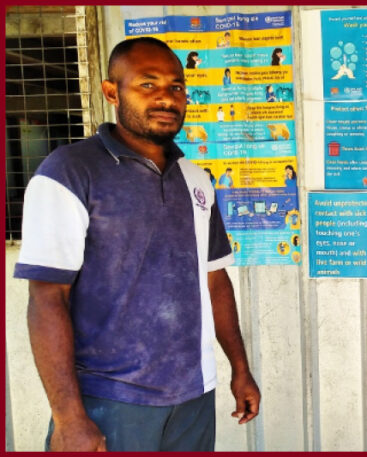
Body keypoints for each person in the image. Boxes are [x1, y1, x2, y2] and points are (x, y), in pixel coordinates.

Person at [14, 37, 260, 452]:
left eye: (176, 86)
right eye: (147, 84)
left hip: (193, 397)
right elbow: (46, 296)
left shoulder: (196, 179)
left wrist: (240, 368)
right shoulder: (70, 171)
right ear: (112, 91)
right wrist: (69, 416)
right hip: (109, 400)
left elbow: (215, 281)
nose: (166, 97)